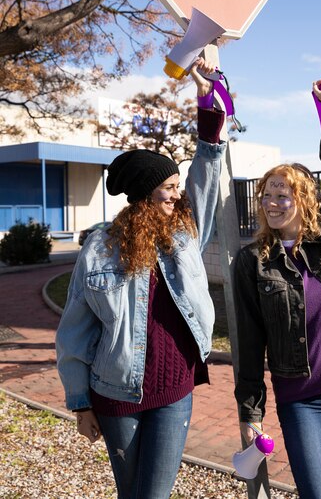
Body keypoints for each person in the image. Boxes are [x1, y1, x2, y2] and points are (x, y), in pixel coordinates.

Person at [56, 57, 226, 499]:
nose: (177, 193)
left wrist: (208, 104)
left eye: (175, 184)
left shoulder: (184, 234)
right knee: (130, 493)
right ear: (143, 194)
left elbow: (206, 174)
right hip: (115, 394)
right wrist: (80, 402)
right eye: (168, 186)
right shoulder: (100, 247)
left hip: (174, 390)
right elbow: (75, 328)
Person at [234, 79, 321, 499]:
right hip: (300, 398)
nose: (272, 202)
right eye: (267, 195)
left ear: (305, 201)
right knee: (318, 493)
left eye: (283, 194)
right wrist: (250, 410)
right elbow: (247, 341)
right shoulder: (253, 261)